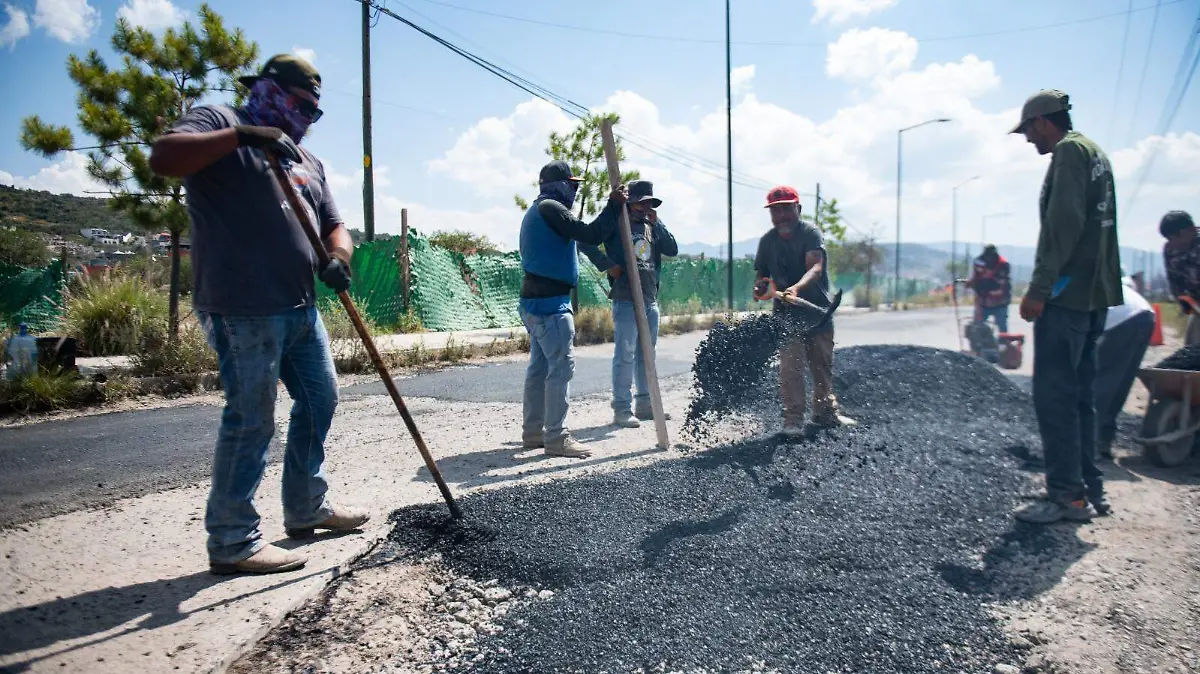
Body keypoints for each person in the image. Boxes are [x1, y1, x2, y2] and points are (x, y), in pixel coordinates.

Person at [149, 54, 369, 575]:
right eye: (297, 106)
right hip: (242, 307)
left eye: (313, 113)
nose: (304, 119)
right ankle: (232, 539)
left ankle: (305, 506)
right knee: (252, 418)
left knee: (320, 400)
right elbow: (164, 157)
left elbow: (336, 225)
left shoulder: (306, 162)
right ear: (269, 92)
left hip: (300, 306)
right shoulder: (219, 122)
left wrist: (337, 258)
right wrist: (246, 137)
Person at [1011, 89, 1122, 525]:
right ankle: (1089, 489)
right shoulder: (1095, 152)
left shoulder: (1069, 154)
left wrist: (1039, 288)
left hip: (1067, 296)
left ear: (1042, 122)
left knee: (1055, 397)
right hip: (1093, 297)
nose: (1026, 140)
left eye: (1027, 130)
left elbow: (1064, 225)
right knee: (1080, 397)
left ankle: (1066, 497)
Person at [518, 160, 627, 459]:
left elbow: (583, 239)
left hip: (536, 302)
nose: (575, 191)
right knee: (560, 368)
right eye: (572, 184)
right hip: (550, 305)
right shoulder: (551, 208)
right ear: (560, 184)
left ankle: (533, 432)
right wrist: (613, 206)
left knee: (540, 367)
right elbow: (591, 235)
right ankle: (555, 437)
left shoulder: (539, 211)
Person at [752, 185, 855, 438]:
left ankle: (824, 414)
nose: (782, 216)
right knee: (790, 369)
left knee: (822, 367)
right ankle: (793, 420)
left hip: (817, 313)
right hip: (786, 318)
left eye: (787, 209)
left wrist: (796, 288)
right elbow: (761, 275)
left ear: (798, 208)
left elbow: (816, 267)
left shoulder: (810, 233)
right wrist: (761, 288)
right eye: (776, 211)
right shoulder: (767, 241)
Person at [580, 180, 679, 428]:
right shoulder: (617, 221)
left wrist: (659, 223)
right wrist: (607, 265)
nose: (645, 208)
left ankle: (645, 405)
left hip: (649, 298)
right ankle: (621, 409)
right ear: (631, 202)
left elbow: (672, 249)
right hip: (625, 298)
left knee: (648, 354)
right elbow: (585, 242)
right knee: (625, 354)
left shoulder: (652, 226)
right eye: (641, 203)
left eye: (649, 203)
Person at [1094, 273, 1154, 468]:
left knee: (1100, 384)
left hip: (1122, 318)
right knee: (1119, 382)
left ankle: (1090, 445)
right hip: (1145, 314)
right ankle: (1103, 441)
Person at [1160, 210, 1200, 345]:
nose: (1175, 241)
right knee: (1191, 347)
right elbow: (1174, 280)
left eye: (1178, 236)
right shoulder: (1170, 250)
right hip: (1197, 305)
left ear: (1192, 230)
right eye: (1170, 238)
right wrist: (1184, 302)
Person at [967, 244, 1012, 333]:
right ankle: (978, 343)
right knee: (977, 326)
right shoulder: (979, 262)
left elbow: (1003, 287)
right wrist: (972, 283)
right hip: (983, 303)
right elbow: (975, 278)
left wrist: (989, 291)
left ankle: (1004, 343)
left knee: (1002, 327)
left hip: (1000, 303)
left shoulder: (1003, 265)